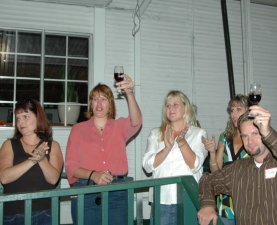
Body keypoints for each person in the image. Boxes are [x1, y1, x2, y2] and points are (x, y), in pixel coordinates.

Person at [197, 105, 277, 225]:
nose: (249, 141)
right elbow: (207, 180)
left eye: (255, 134)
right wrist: (207, 204)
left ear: (265, 132)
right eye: (245, 136)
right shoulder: (237, 169)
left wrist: (270, 134)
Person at [65, 74, 142, 225]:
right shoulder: (78, 129)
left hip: (117, 193)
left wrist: (129, 93)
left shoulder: (119, 126)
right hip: (85, 193)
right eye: (95, 99)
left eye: (104, 99)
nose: (99, 103)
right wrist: (93, 175)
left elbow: (136, 122)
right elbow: (71, 166)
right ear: (91, 104)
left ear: (110, 104)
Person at [143, 90, 208, 225]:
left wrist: (182, 142)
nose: (171, 108)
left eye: (175, 104)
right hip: (161, 200)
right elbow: (147, 166)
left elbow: (195, 164)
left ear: (186, 108)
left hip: (188, 199)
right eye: (168, 105)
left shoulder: (198, 133)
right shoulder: (156, 134)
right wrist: (167, 148)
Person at [0, 98, 64, 225]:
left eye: (25, 116)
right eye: (18, 118)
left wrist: (42, 160)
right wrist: (33, 160)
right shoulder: (9, 144)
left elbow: (53, 179)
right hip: (13, 213)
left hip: (44, 212)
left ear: (38, 117)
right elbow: (4, 177)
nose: (20, 122)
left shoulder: (53, 145)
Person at [201, 94, 249, 225]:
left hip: (248, 202)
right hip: (226, 205)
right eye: (232, 110)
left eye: (239, 109)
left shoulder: (254, 137)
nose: (234, 114)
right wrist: (211, 152)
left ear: (249, 111)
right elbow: (216, 171)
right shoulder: (225, 137)